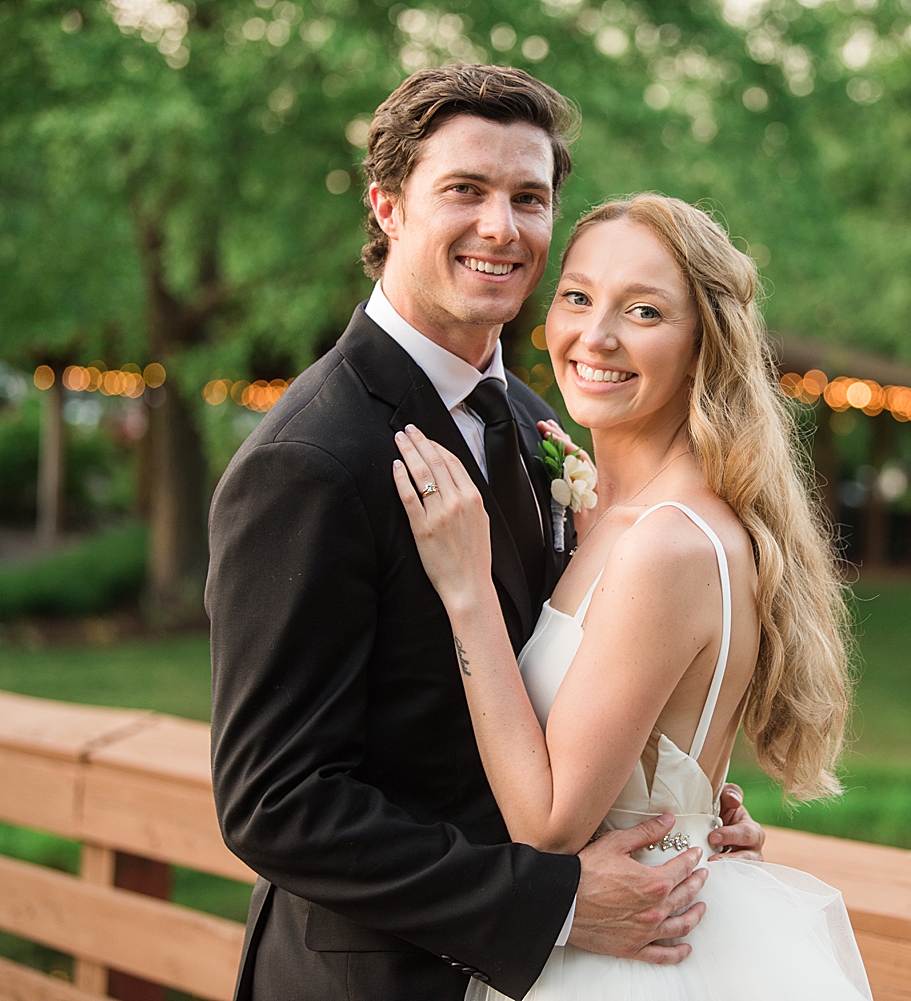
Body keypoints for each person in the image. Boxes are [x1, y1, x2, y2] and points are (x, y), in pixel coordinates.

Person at [207, 66, 765, 1001]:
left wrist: (673, 805)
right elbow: (276, 802)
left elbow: (561, 676)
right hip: (374, 981)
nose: (501, 227)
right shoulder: (312, 459)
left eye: (529, 197)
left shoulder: (539, 423)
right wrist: (550, 900)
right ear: (387, 207)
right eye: (465, 190)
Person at [390, 193, 871, 999]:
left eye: (643, 311)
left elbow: (550, 823)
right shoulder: (612, 513)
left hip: (624, 959)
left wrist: (466, 585)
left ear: (701, 344)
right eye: (577, 297)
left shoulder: (666, 543)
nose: (596, 335)